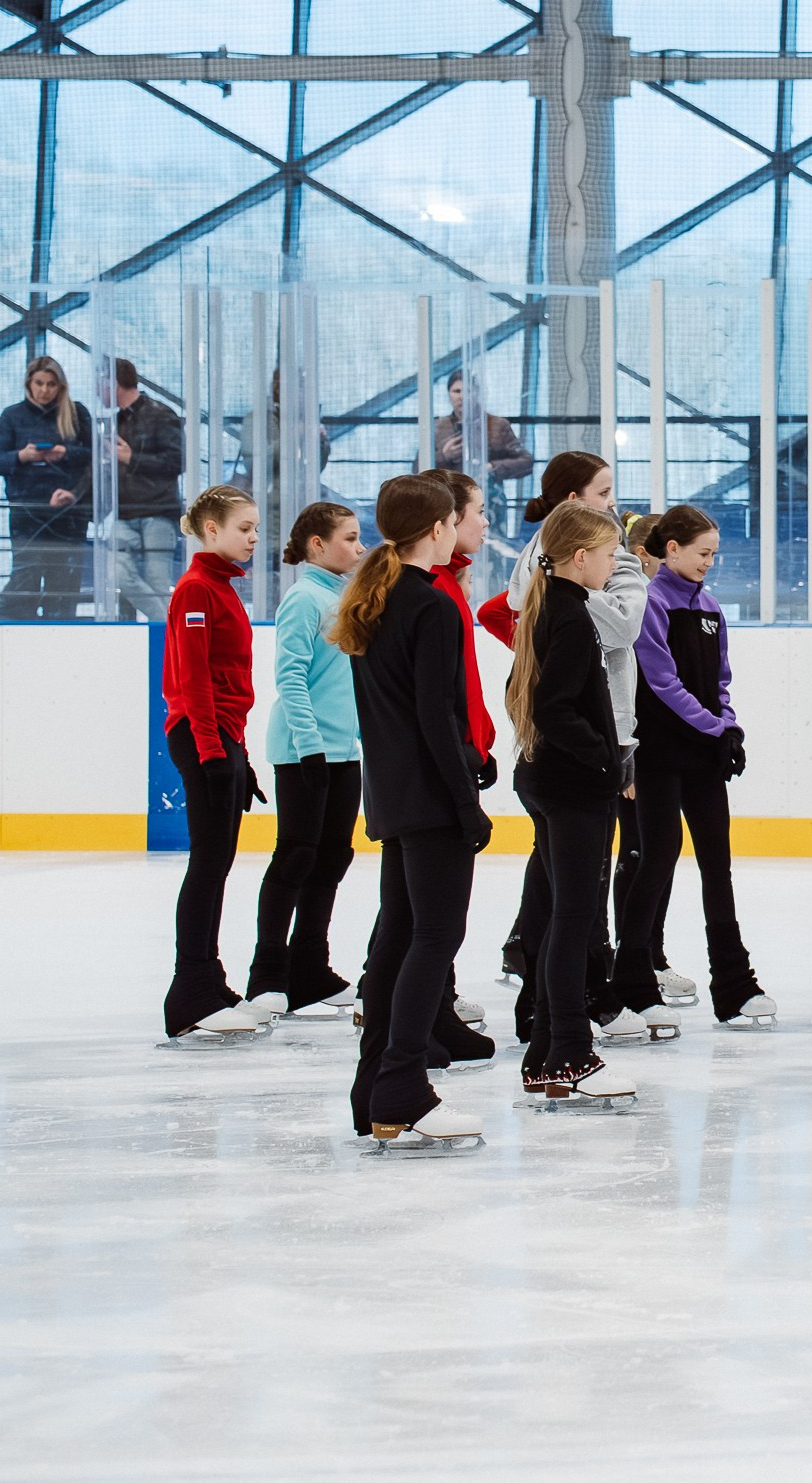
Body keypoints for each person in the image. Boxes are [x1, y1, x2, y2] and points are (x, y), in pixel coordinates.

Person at [332, 475, 491, 1153]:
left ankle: (374, 1085)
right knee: (434, 935)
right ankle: (402, 1084)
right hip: (429, 798)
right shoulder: (430, 603)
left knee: (398, 936)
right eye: (457, 520)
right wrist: (466, 802)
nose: (460, 530)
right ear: (437, 530)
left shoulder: (379, 594)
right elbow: (436, 715)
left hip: (393, 796)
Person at [498, 458, 669, 1038]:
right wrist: (604, 758)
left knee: (563, 893)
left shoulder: (557, 594)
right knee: (575, 903)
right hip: (578, 760)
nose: (615, 509)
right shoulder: (570, 607)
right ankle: (563, 1028)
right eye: (604, 495)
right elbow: (566, 692)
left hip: (563, 757)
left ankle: (551, 1020)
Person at [505, 501, 640, 1108]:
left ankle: (545, 1053)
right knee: (573, 920)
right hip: (571, 785)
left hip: (553, 780)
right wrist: (606, 761)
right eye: (609, 556)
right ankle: (568, 1051)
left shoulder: (556, 606)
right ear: (579, 557)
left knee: (566, 915)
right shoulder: (565, 613)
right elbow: (555, 708)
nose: (614, 567)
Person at [630, 505, 773, 1027]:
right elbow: (663, 683)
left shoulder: (711, 606)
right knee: (658, 859)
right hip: (661, 755)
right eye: (702, 553)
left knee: (719, 866)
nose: (710, 562)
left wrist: (728, 725)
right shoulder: (649, 604)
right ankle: (633, 979)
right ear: (671, 550)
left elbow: (720, 680)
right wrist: (716, 727)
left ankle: (734, 984)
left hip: (704, 754)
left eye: (714, 554)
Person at [245, 502, 365, 1021]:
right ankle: (268, 972)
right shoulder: (303, 599)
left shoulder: (347, 597)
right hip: (304, 752)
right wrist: (310, 744)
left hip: (344, 751)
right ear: (317, 544)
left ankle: (310, 968)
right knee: (296, 855)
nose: (360, 549)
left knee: (334, 856)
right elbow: (289, 677)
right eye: (349, 539)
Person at [159, 485, 265, 1041]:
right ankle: (190, 993)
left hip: (222, 737)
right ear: (210, 531)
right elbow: (193, 680)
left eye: (253, 529)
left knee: (218, 861)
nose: (252, 537)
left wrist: (236, 754)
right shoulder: (196, 590)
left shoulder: (221, 588)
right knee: (207, 862)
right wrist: (212, 750)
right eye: (243, 528)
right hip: (203, 736)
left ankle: (209, 979)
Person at [416, 469, 501, 1061]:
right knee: (426, 913)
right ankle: (416, 1012)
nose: (484, 522)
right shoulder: (432, 594)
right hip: (440, 767)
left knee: (426, 909)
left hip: (459, 754)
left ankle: (431, 1007)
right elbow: (438, 696)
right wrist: (468, 749)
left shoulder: (450, 586)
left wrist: (480, 743)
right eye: (476, 513)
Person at [0, 355, 94, 618]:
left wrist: (64, 452)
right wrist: (22, 456)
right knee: (26, 578)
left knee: (64, 585)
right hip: (27, 512)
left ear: (60, 386)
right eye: (39, 383)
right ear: (29, 384)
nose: (44, 390)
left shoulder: (76, 413)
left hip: (68, 512)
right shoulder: (12, 416)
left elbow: (94, 455)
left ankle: (61, 640)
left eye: (51, 384)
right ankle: (17, 636)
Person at [109, 360, 185, 623]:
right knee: (118, 573)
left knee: (157, 579)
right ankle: (167, 627)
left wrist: (133, 458)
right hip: (124, 512)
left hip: (158, 512)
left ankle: (167, 639)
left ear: (114, 383)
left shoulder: (161, 414)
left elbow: (177, 462)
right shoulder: (115, 421)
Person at [434, 372, 537, 494]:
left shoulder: (496, 425)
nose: (461, 396)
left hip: (490, 500)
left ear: (477, 392)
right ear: (449, 394)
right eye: (456, 391)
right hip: (450, 500)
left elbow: (526, 462)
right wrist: (444, 456)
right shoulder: (439, 427)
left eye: (468, 391)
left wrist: (491, 467)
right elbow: (418, 468)